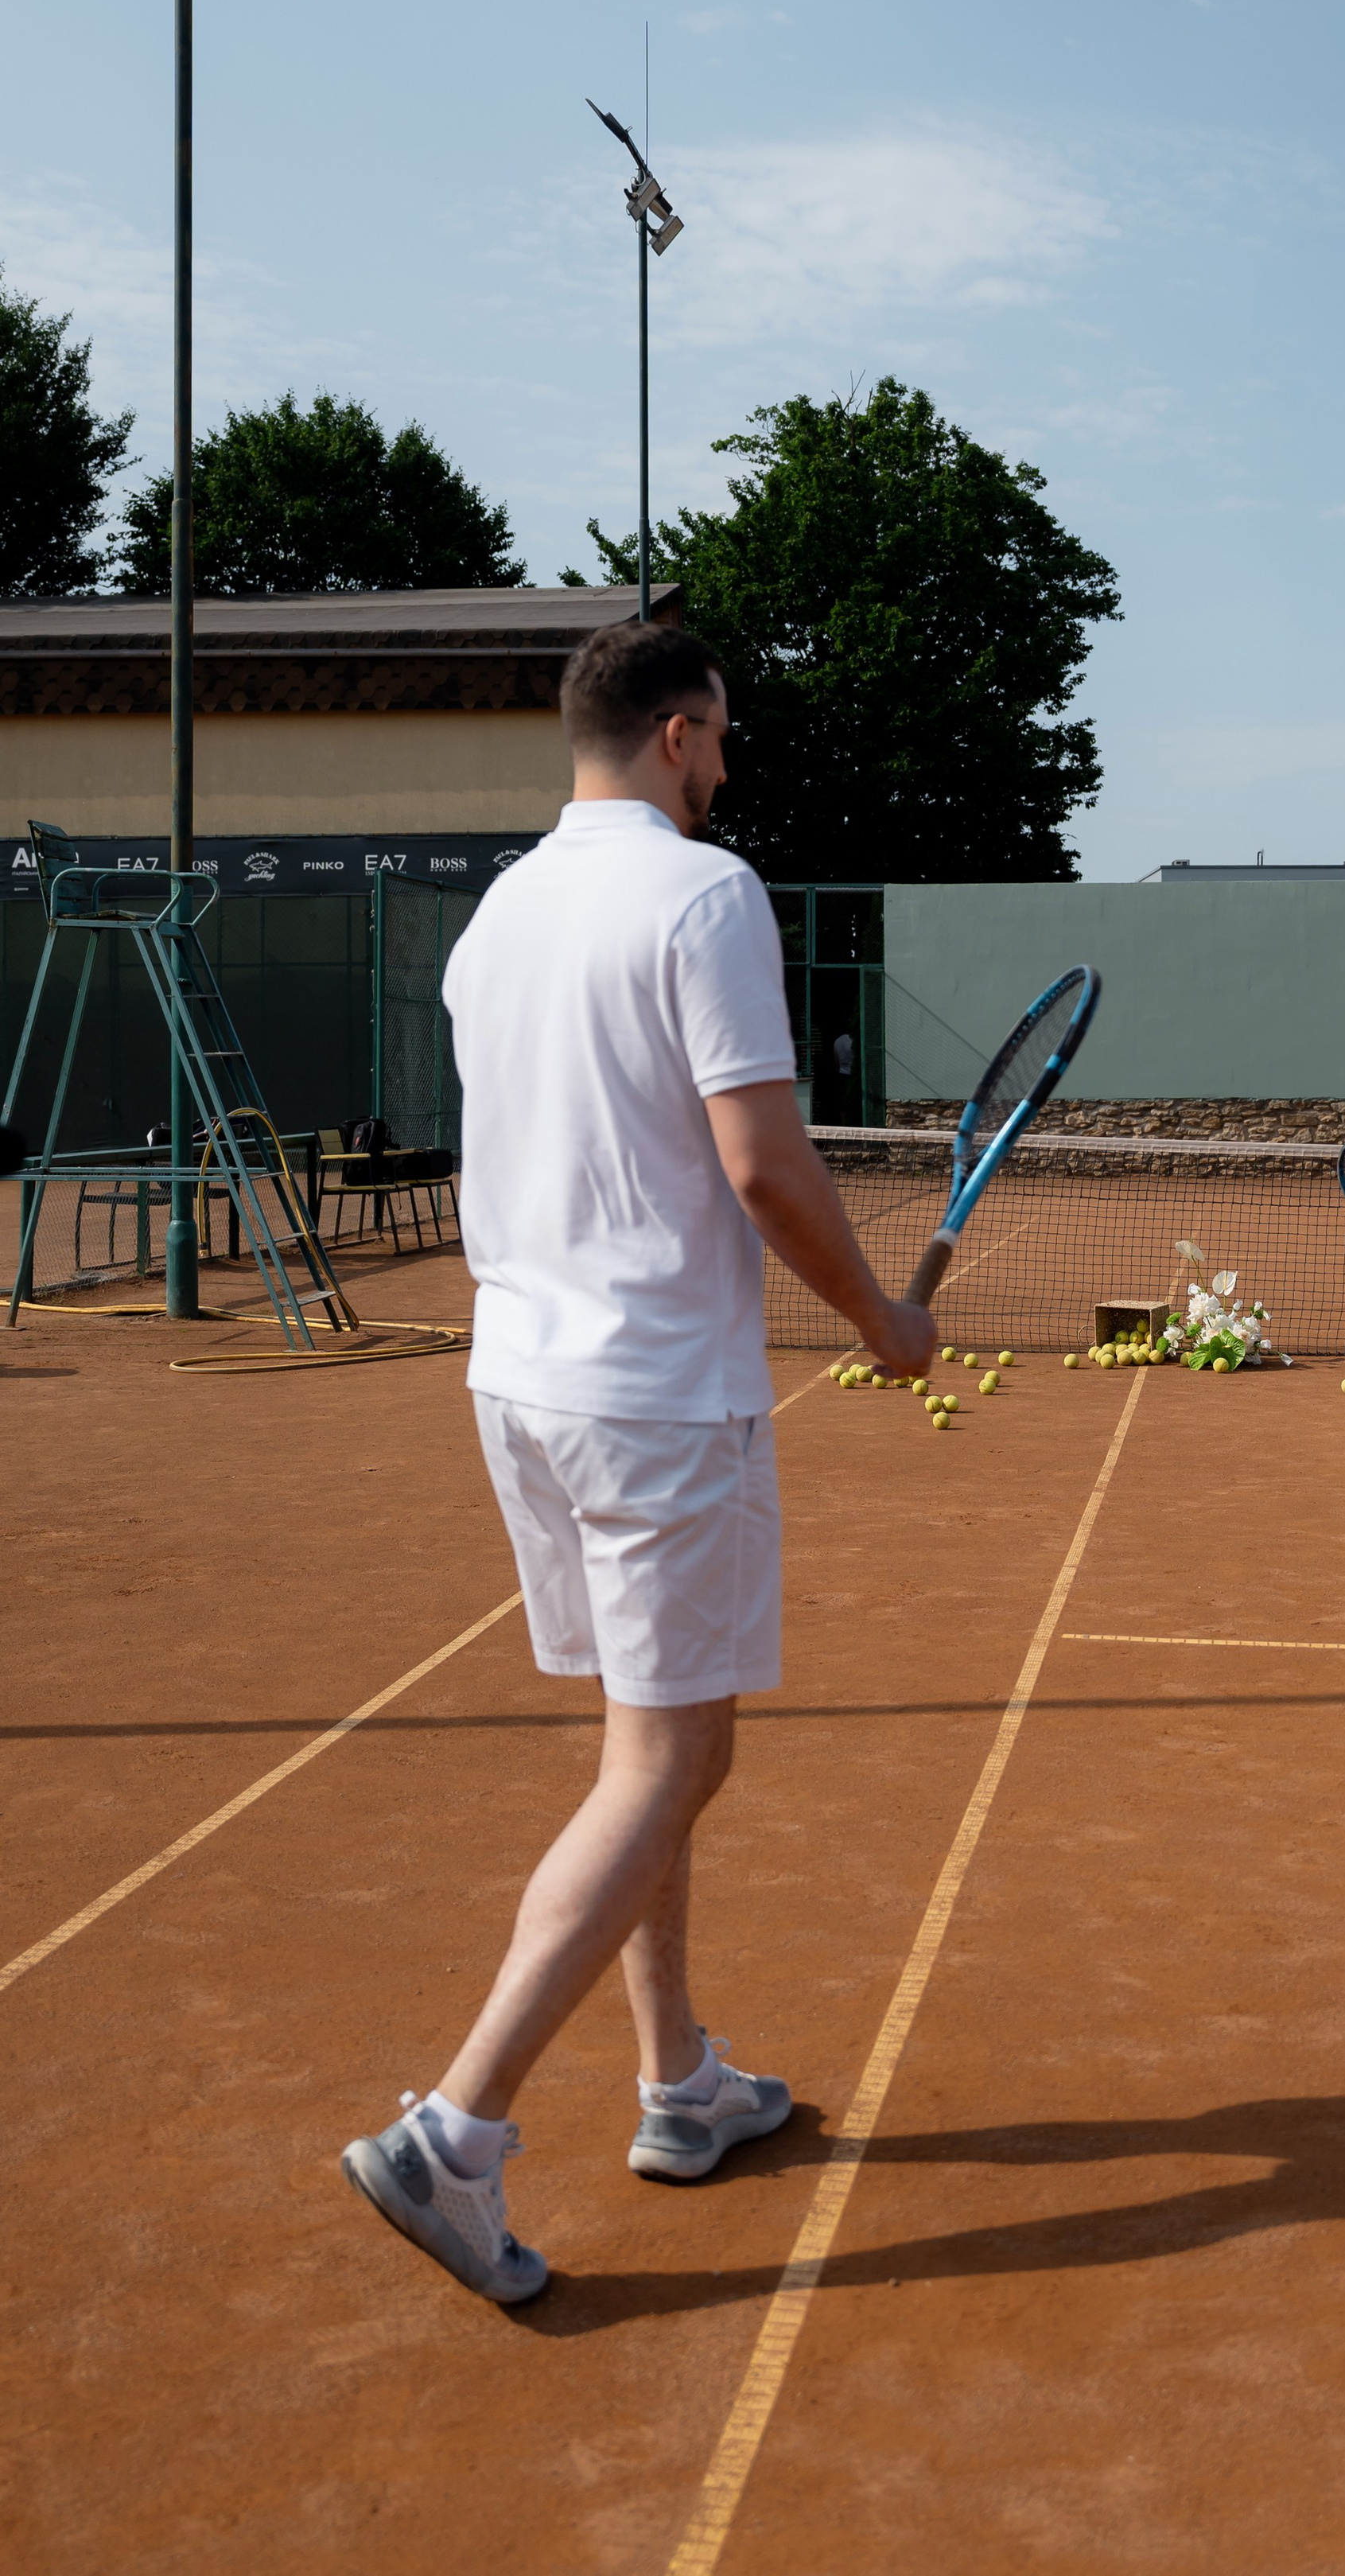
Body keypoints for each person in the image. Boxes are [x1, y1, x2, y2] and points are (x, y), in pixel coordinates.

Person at [341, 622, 935, 2302]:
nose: (731, 764)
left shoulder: (496, 919)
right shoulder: (703, 891)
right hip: (655, 1394)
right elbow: (759, 1159)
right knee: (665, 1765)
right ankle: (452, 2132)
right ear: (677, 734)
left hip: (519, 1384)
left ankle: (679, 2081)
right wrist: (880, 1319)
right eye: (724, 736)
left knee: (655, 1745)